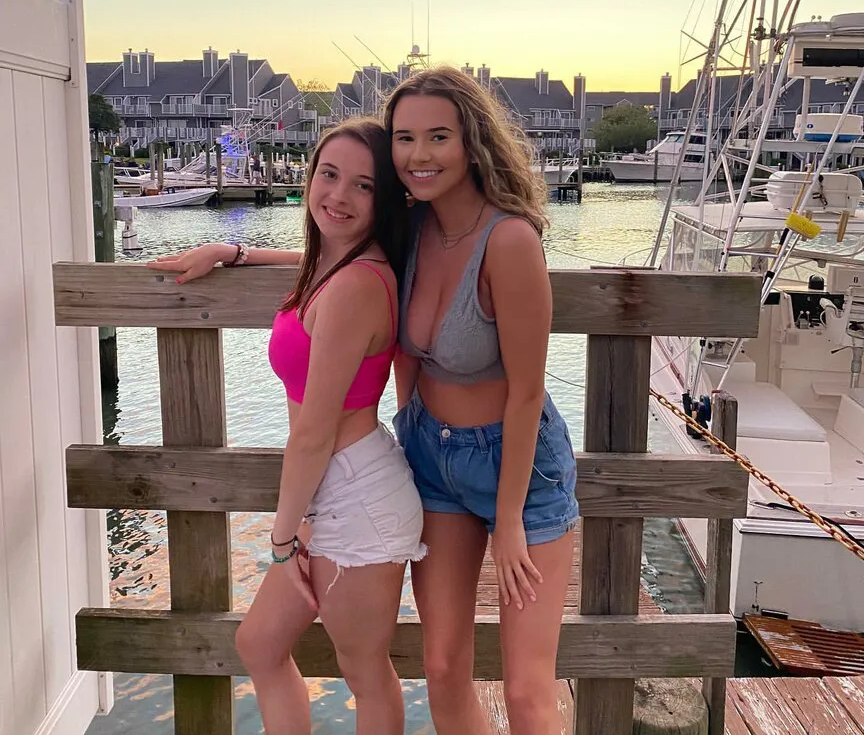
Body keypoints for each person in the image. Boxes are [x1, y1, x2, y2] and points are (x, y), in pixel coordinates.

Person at [147, 118, 426, 735]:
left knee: (365, 671)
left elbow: (312, 435)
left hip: (357, 498)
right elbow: (311, 257)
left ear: (384, 199)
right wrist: (233, 252)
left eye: (363, 185)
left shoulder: (355, 285)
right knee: (260, 645)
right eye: (329, 175)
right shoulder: (337, 264)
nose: (339, 196)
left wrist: (280, 543)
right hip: (330, 488)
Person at [383, 67, 579, 735]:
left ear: (471, 142)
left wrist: (510, 520)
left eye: (438, 136)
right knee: (441, 667)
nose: (419, 154)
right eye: (405, 138)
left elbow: (527, 391)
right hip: (431, 457)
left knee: (526, 689)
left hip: (519, 470)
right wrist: (232, 249)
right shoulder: (410, 228)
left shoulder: (510, 241)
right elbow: (329, 258)